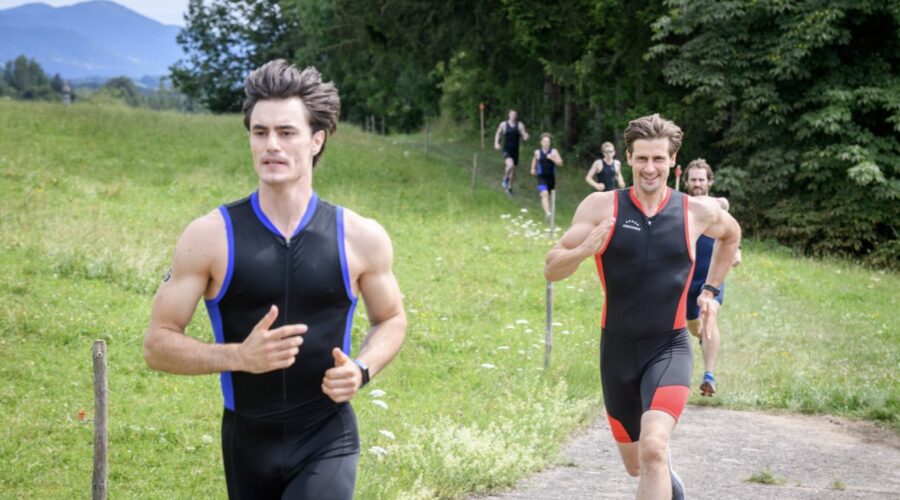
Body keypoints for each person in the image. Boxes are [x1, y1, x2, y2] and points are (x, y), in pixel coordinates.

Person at [142, 59, 407, 499]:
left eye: (286, 132)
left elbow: (392, 318)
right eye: (260, 132)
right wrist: (239, 357)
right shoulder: (209, 237)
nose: (271, 145)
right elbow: (157, 345)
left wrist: (362, 369)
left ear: (316, 140)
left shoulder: (360, 237)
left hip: (328, 436)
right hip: (247, 442)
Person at [545, 114, 741, 499]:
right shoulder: (602, 207)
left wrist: (710, 290)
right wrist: (584, 251)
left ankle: (660, 464)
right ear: (628, 160)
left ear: (674, 165)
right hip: (616, 351)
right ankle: (667, 480)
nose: (650, 168)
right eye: (641, 159)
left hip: (668, 346)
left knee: (654, 448)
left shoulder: (695, 211)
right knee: (637, 463)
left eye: (658, 159)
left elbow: (731, 235)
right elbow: (552, 269)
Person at [683, 159, 741, 397]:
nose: (697, 184)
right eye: (693, 180)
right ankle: (701, 340)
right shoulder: (681, 207)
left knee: (709, 317)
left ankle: (709, 376)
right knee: (694, 327)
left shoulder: (718, 209)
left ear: (709, 181)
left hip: (711, 278)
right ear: (686, 181)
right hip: (684, 279)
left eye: (701, 180)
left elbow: (731, 237)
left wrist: (736, 253)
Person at [493, 109, 530, 194]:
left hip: (515, 151)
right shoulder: (504, 124)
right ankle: (505, 178)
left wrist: (526, 136)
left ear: (516, 116)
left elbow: (524, 134)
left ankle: (509, 187)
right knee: (510, 165)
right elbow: (498, 133)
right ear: (509, 115)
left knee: (513, 172)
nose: (513, 116)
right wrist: (496, 143)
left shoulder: (519, 125)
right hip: (507, 150)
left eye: (515, 115)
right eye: (512, 114)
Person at [530, 133, 564, 221]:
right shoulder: (537, 152)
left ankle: (549, 214)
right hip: (541, 177)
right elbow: (534, 160)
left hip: (551, 178)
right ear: (541, 142)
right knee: (544, 194)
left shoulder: (553, 151)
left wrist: (553, 158)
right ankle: (548, 213)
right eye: (545, 142)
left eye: (548, 142)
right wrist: (533, 168)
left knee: (549, 196)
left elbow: (560, 163)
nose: (546, 144)